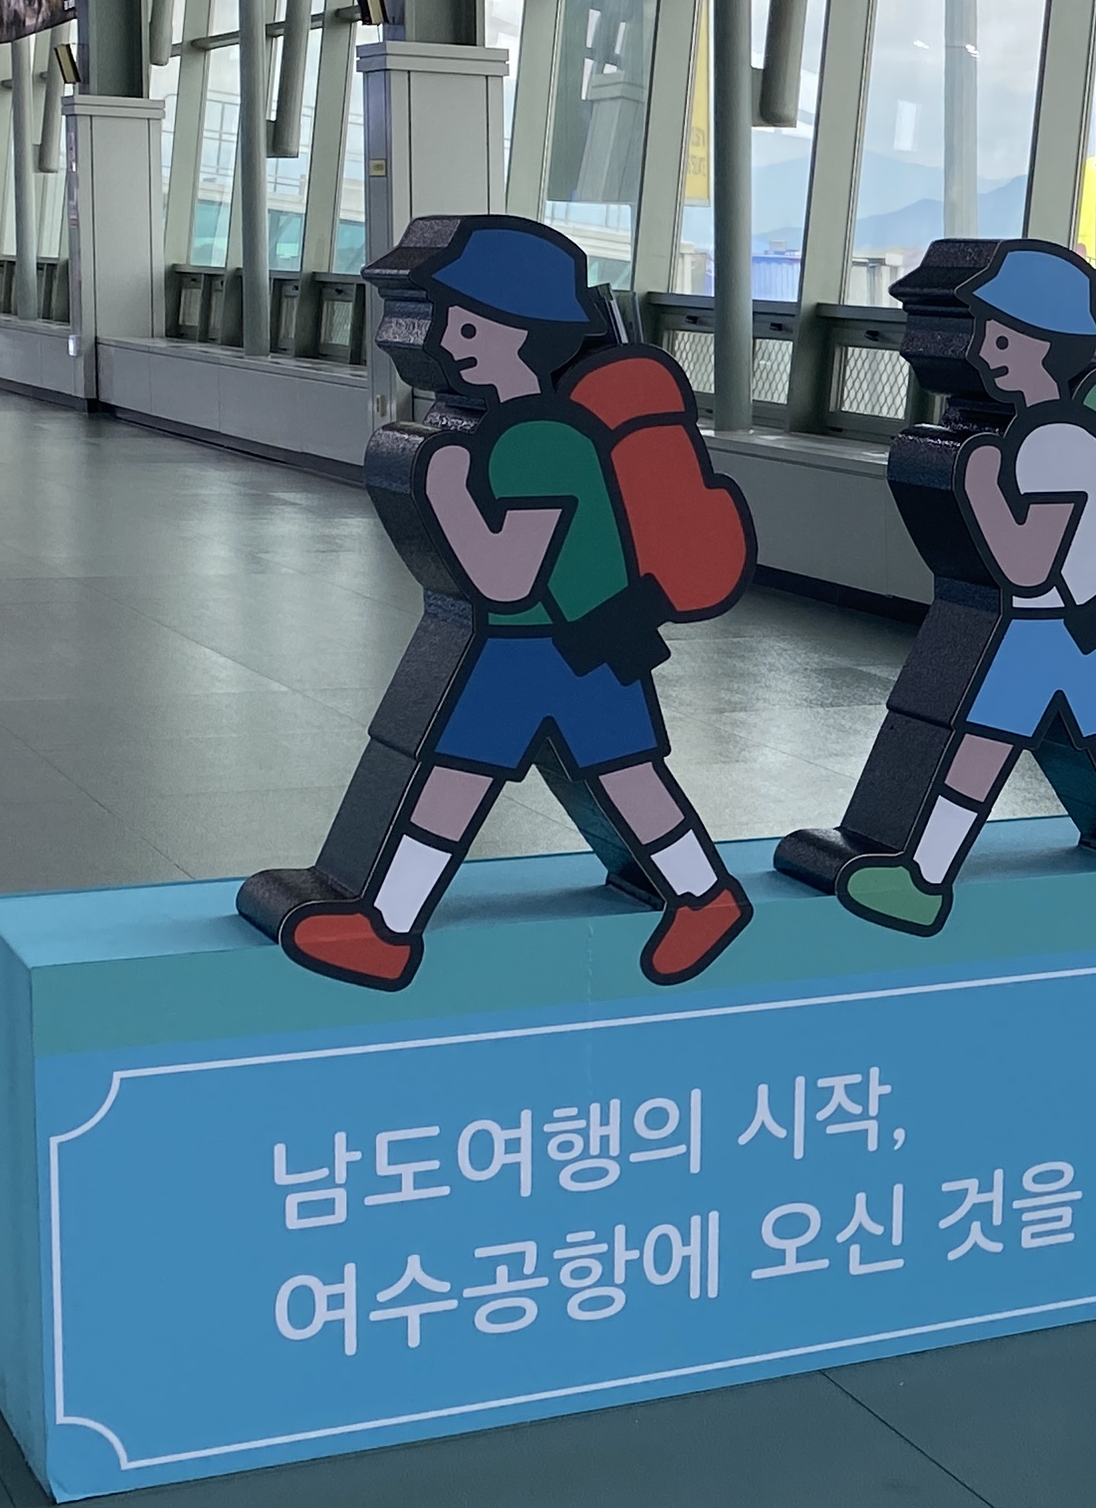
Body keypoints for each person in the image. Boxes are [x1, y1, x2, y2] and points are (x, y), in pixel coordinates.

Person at [260, 219, 750, 992]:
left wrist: (445, 487)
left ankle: (705, 897)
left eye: (468, 327)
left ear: (522, 333)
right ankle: (390, 925)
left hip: (570, 646)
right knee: (466, 778)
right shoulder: (517, 431)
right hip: (538, 645)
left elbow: (506, 576)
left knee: (617, 779)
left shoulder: (539, 441)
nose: (447, 342)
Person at [832, 244, 1096, 936]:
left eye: (1002, 337)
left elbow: (1027, 563)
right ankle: (926, 877)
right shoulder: (1049, 433)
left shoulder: (1055, 442)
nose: (984, 350)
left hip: (1072, 626)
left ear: (1046, 345)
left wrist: (979, 480)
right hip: (1059, 624)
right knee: (994, 745)